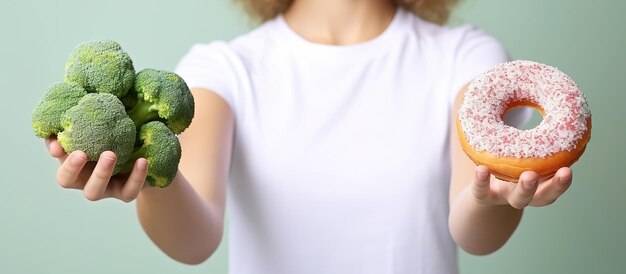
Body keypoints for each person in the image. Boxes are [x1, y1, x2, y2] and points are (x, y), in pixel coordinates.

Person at [45, 0, 575, 273]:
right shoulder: (224, 68)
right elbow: (196, 238)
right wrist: (146, 174)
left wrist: (498, 195)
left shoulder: (466, 56)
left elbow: (473, 231)